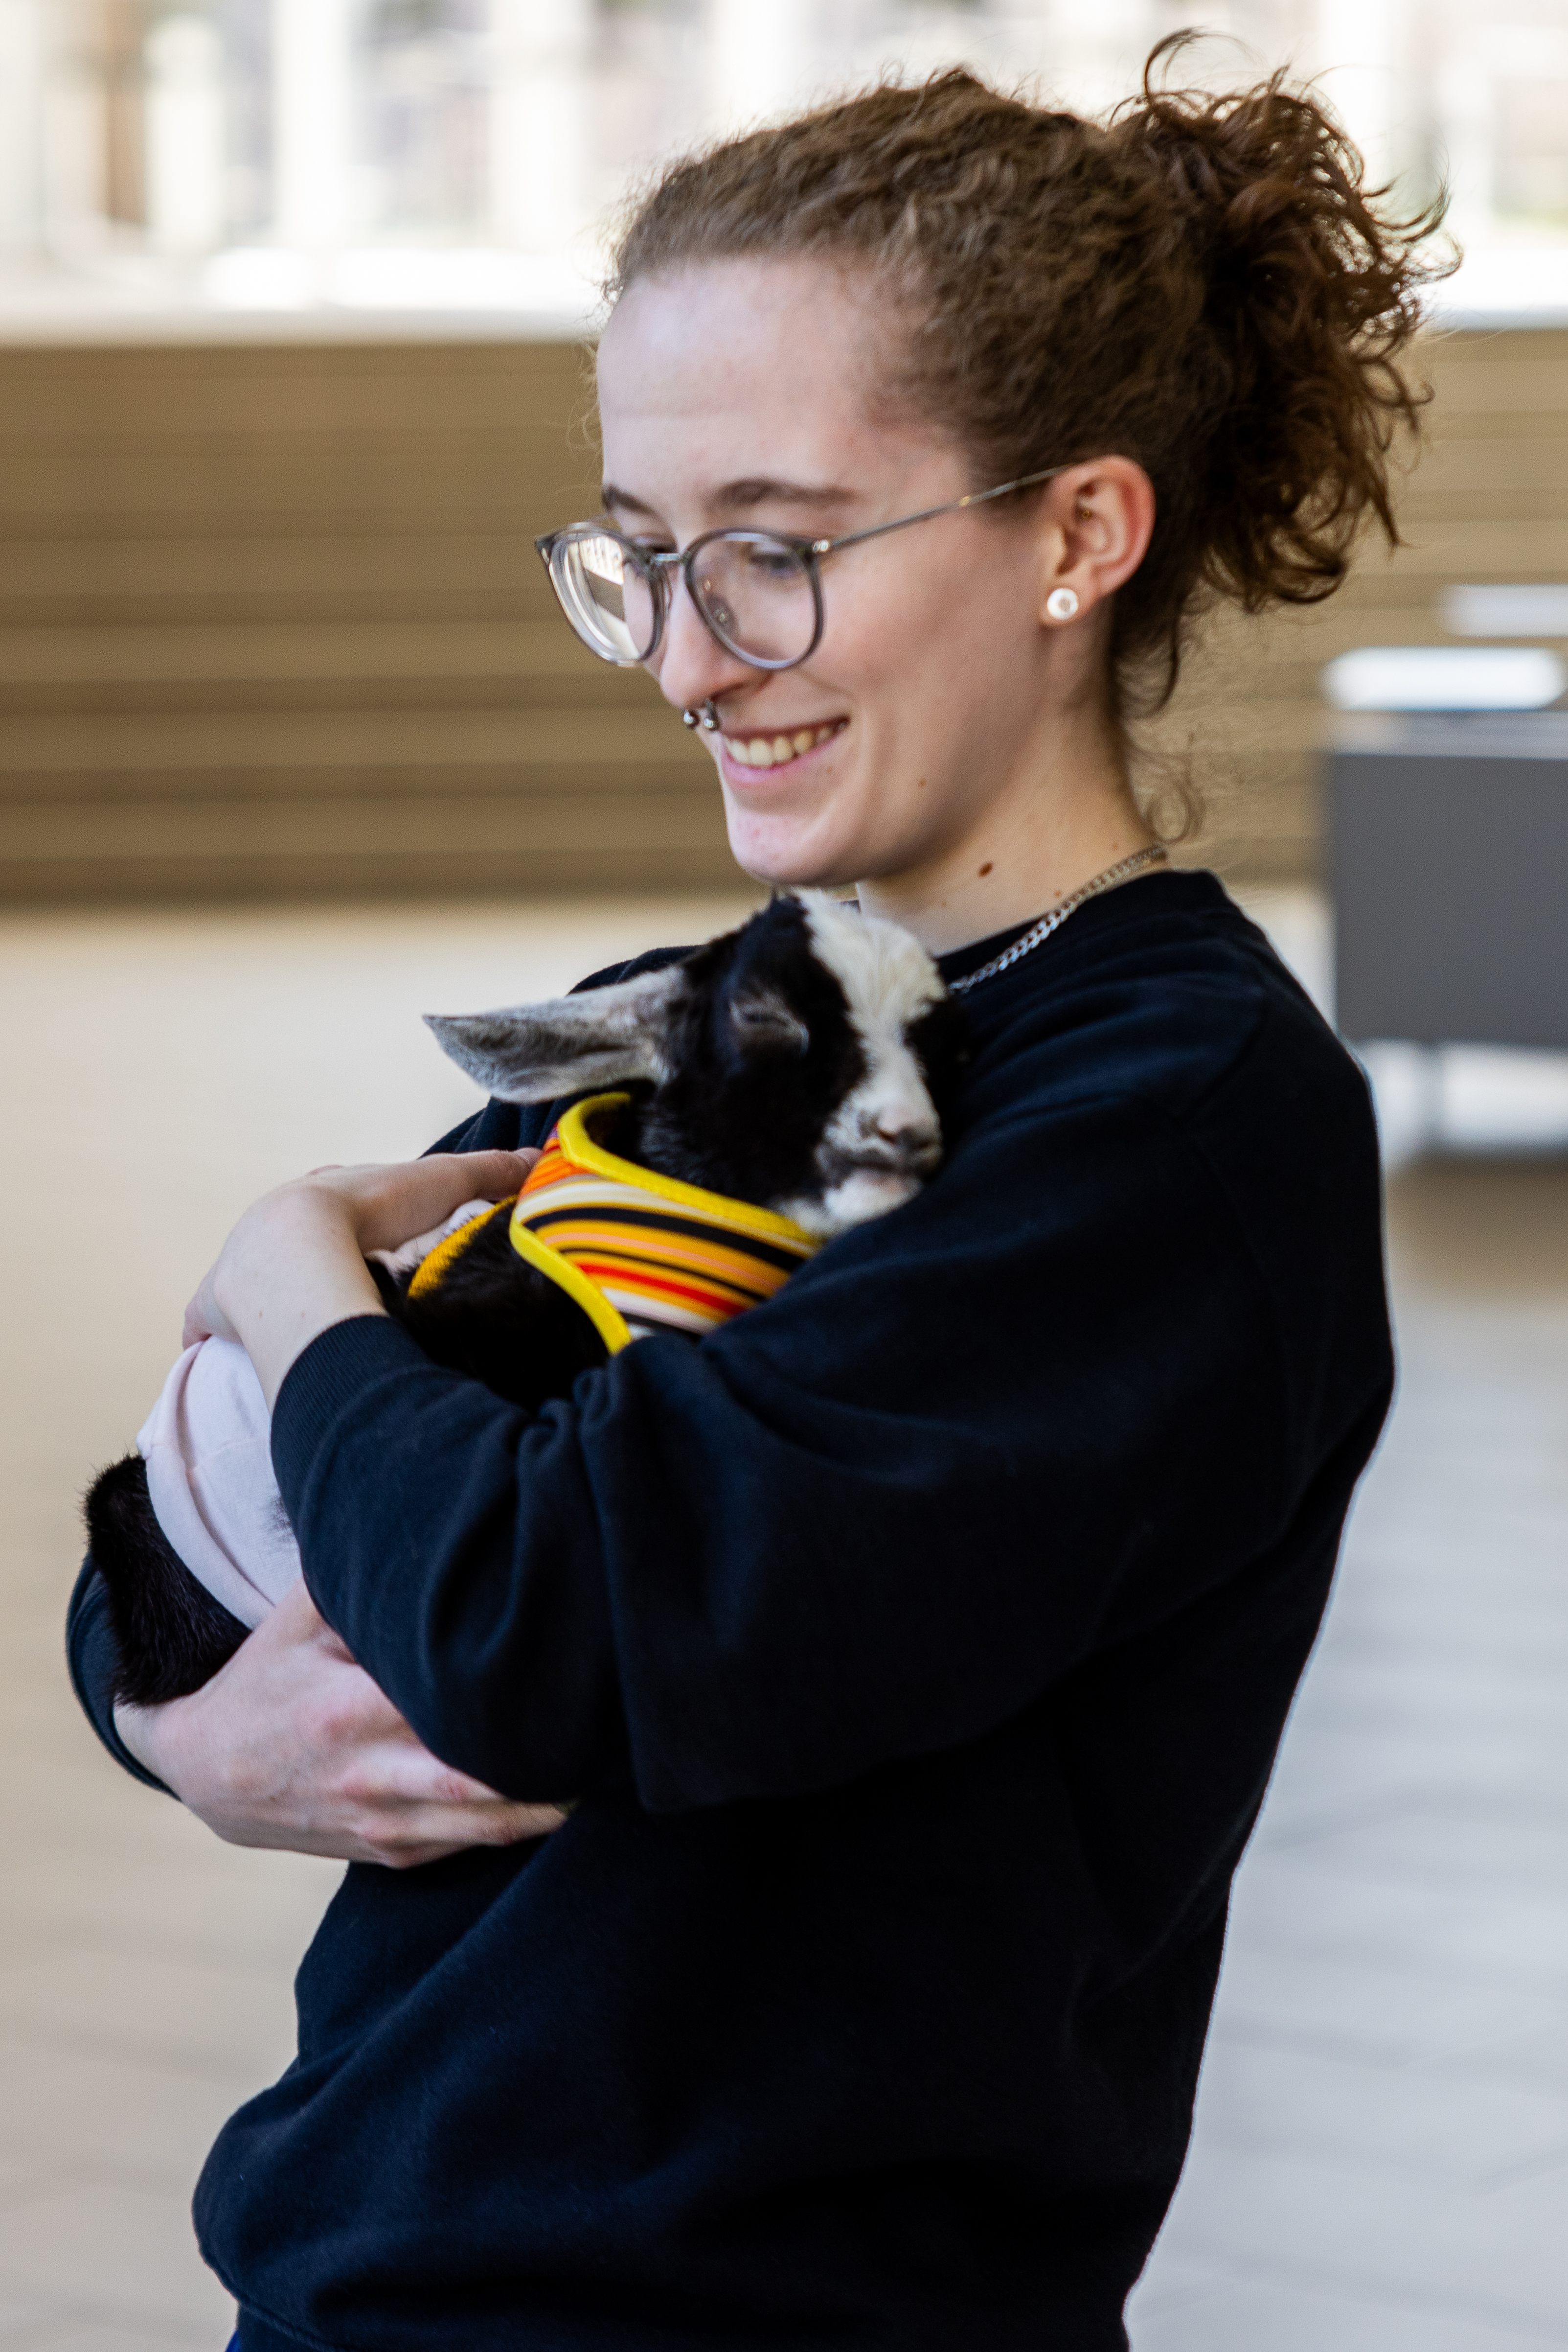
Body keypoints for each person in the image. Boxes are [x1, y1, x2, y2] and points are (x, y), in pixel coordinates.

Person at [67, 47, 1435, 2352]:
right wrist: (187, 1725)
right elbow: (214, 1523)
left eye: (778, 552)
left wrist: (291, 1275)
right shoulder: (707, 1008)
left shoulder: (1170, 1124)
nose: (693, 659)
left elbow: (546, 1614)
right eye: (643, 552)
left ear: (1076, 535)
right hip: (370, 2271)